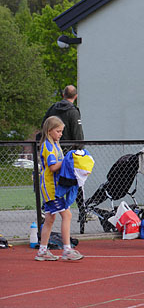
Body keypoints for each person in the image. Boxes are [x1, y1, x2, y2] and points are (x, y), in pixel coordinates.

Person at [35, 116, 83, 261]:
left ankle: (42, 251)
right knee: (67, 215)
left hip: (56, 187)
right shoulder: (48, 146)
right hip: (51, 188)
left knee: (50, 218)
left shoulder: (55, 144)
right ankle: (67, 250)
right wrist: (68, 160)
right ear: (49, 131)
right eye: (58, 131)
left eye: (61, 131)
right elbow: (53, 167)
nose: (61, 134)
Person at [43, 85, 84, 150]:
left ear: (63, 94)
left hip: (52, 147)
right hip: (69, 150)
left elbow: (44, 125)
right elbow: (77, 133)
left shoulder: (52, 108)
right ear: (76, 96)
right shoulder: (73, 112)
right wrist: (80, 149)